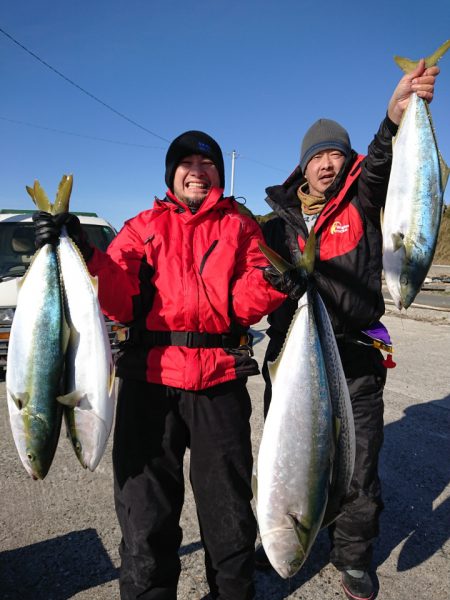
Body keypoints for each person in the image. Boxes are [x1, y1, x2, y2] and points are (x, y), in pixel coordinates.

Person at [32, 130, 298, 600]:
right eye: (187, 163)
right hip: (148, 381)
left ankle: (232, 594)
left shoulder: (239, 227)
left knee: (228, 511)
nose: (198, 171)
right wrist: (82, 250)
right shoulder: (142, 227)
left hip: (219, 379)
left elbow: (244, 303)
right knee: (145, 511)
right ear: (172, 174)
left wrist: (276, 281)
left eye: (208, 163)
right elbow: (117, 296)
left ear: (218, 173)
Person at [256, 59, 440, 600]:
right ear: (303, 165)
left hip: (356, 357)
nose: (329, 164)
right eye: (319, 156)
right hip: (292, 360)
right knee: (288, 459)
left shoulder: (362, 198)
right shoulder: (274, 224)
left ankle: (353, 556)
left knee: (359, 466)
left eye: (337, 153)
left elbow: (383, 163)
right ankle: (280, 537)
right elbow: (250, 276)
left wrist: (393, 118)